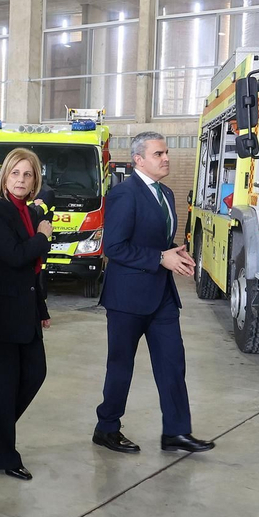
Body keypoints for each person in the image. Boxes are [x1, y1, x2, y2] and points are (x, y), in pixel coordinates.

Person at [92, 132, 215, 455]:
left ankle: (175, 432)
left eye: (167, 152)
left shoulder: (167, 193)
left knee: (173, 363)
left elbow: (156, 241)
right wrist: (161, 258)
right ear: (139, 160)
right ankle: (106, 428)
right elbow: (114, 247)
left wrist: (175, 252)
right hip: (127, 299)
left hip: (161, 296)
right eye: (159, 153)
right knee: (121, 366)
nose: (166, 158)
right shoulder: (124, 194)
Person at [0, 148, 52, 481]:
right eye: (15, 173)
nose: (21, 180)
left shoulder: (29, 214)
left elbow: (32, 272)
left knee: (35, 373)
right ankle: (5, 455)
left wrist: (41, 307)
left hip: (26, 311)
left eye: (27, 174)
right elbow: (17, 256)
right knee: (2, 388)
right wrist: (45, 236)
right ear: (4, 178)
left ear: (34, 181)